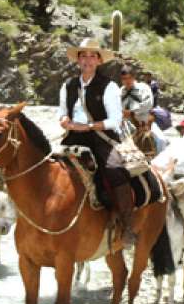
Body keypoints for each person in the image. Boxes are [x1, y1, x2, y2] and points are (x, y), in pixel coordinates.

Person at [58, 38, 136, 244]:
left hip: (100, 137)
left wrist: (89, 126)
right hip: (73, 136)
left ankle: (127, 225)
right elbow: (62, 113)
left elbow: (115, 120)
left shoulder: (109, 86)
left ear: (99, 61)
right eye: (83, 55)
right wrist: (65, 121)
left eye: (93, 56)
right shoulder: (68, 85)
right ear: (78, 60)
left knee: (114, 168)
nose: (88, 60)